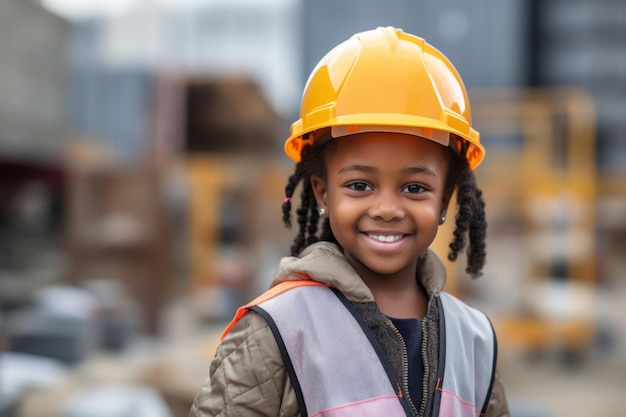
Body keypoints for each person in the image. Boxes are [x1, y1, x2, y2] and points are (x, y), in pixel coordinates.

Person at [189, 26, 510, 417]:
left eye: (414, 188)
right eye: (360, 185)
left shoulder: (474, 339)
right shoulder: (277, 330)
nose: (388, 208)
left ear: (445, 198)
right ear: (323, 194)